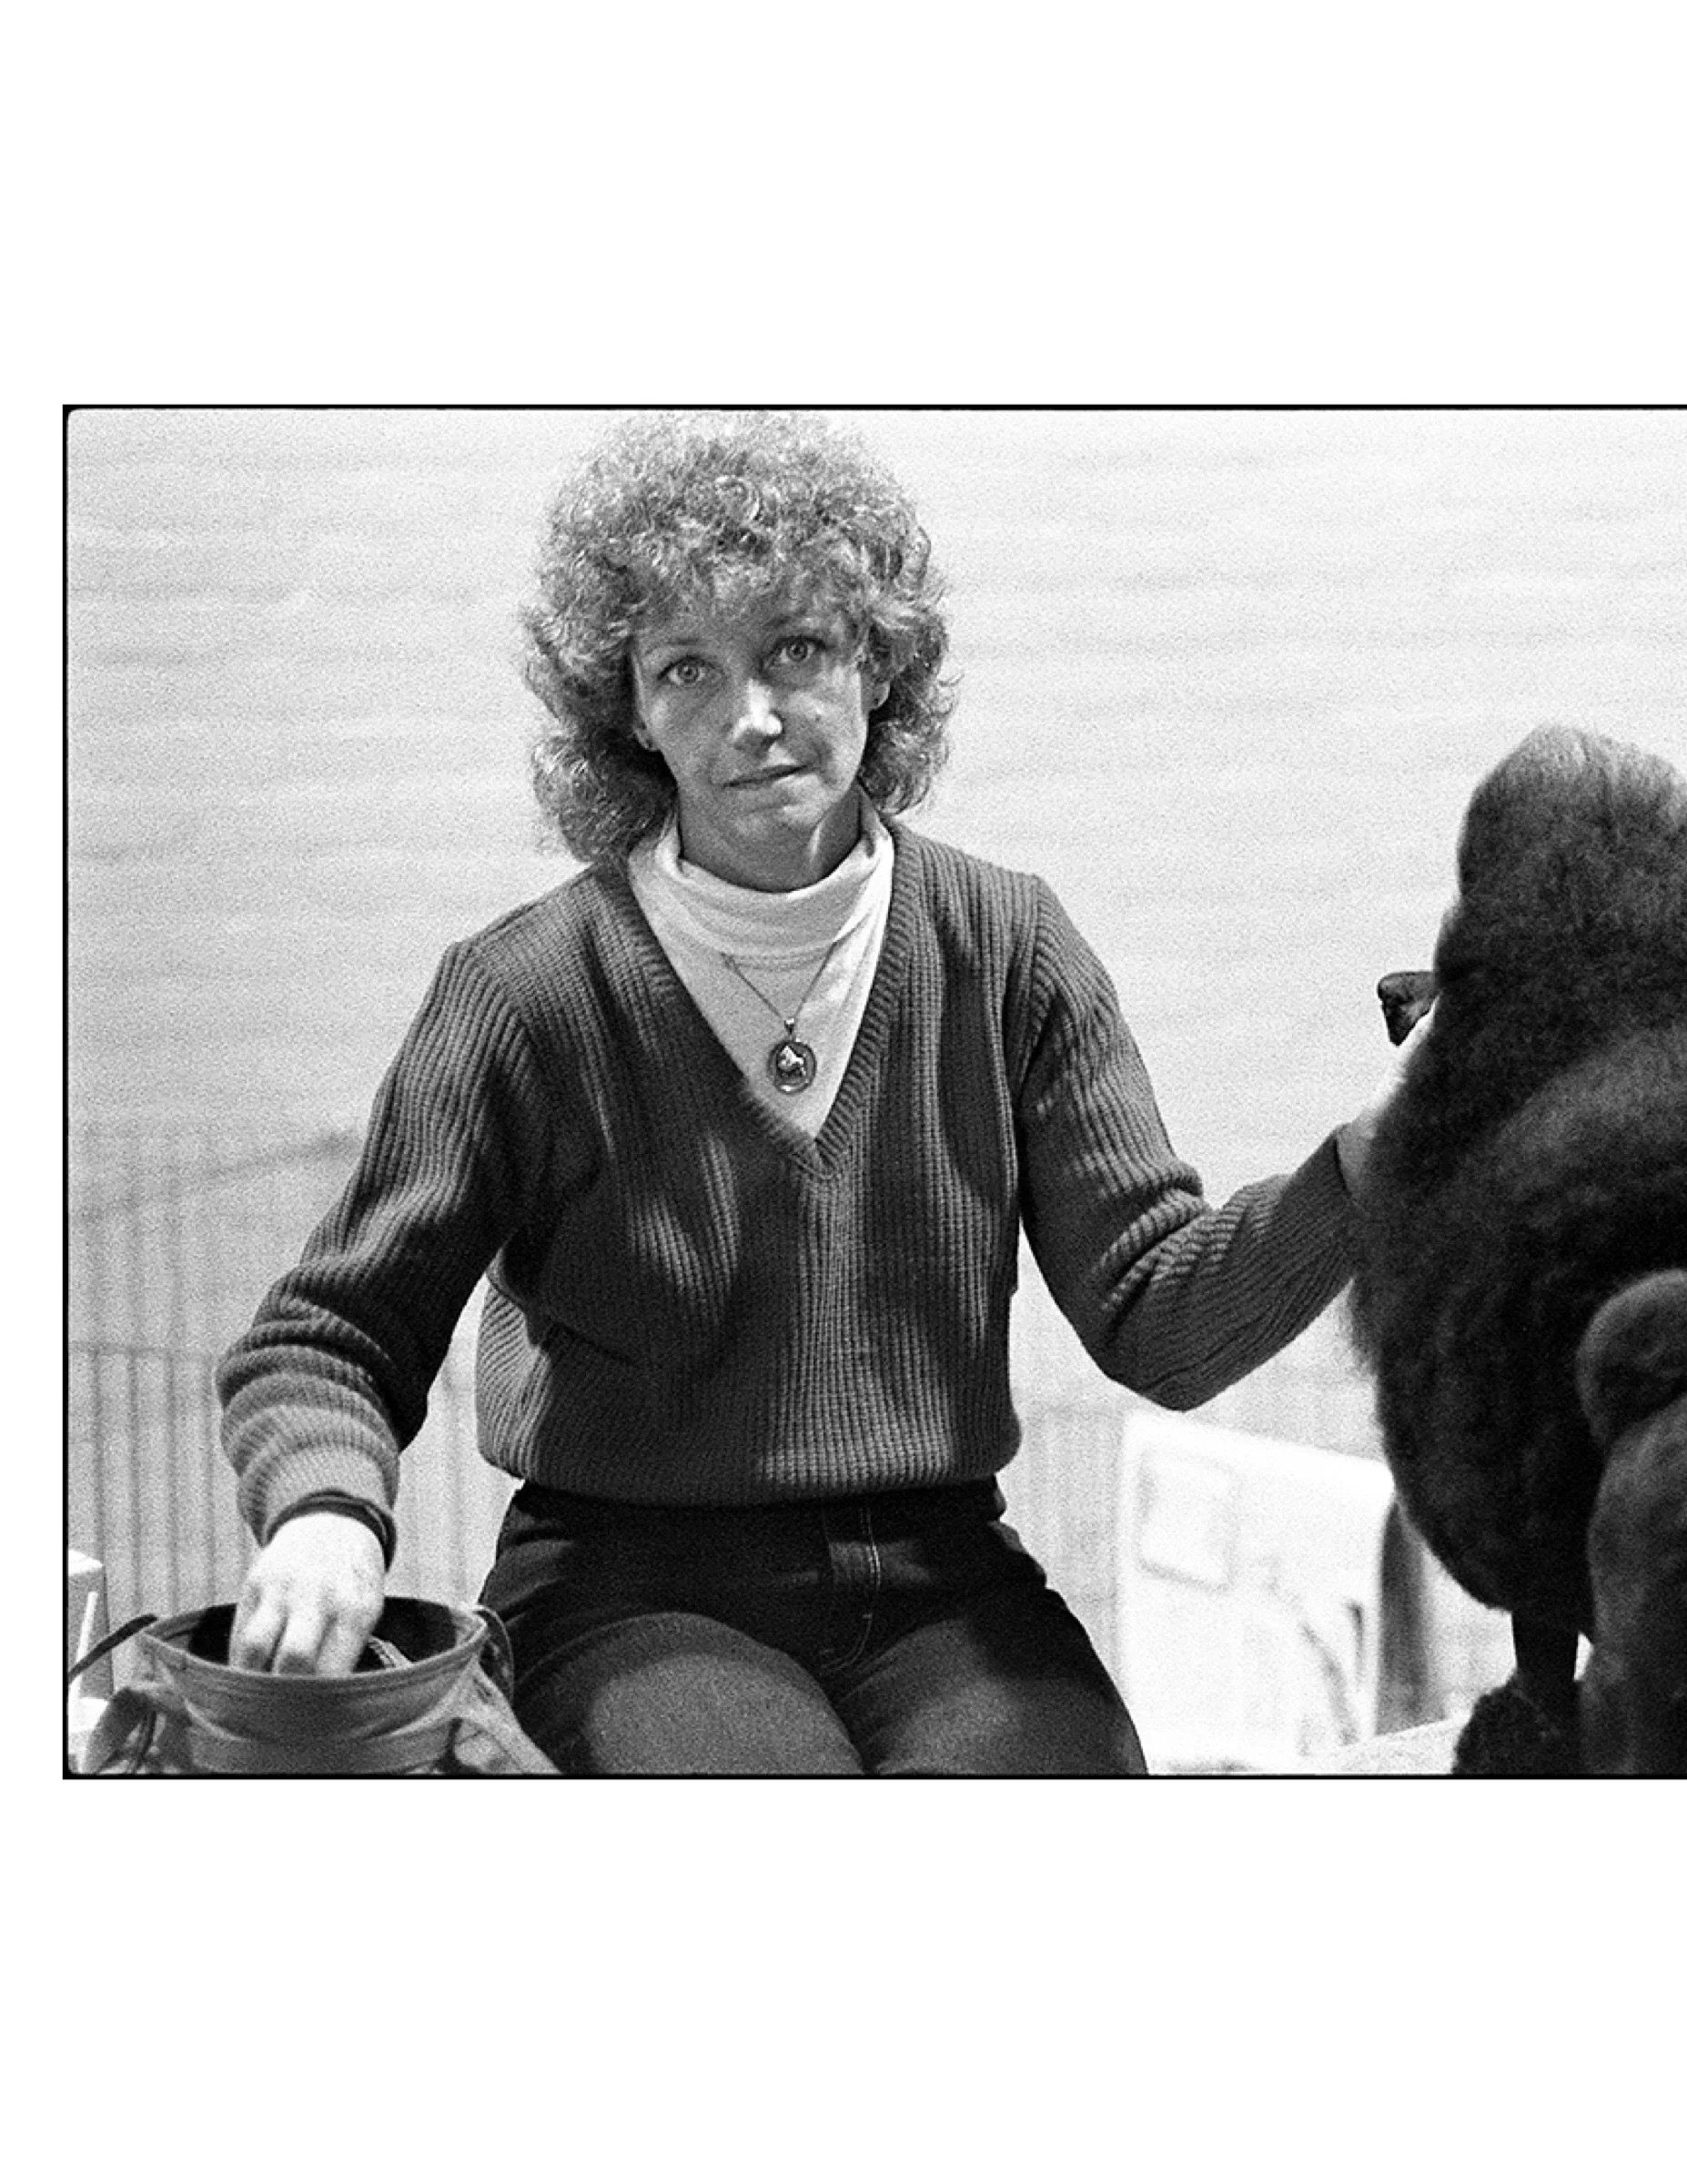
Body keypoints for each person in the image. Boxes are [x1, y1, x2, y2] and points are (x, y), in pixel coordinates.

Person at [216, 410, 1390, 1774]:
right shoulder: (525, 992)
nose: (752, 717)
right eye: (685, 670)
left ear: (879, 662)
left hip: (945, 1577)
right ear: (629, 710)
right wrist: (323, 1514)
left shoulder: (1005, 949)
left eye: (796, 649)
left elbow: (1159, 1321)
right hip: (624, 1585)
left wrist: (1371, 1162)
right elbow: (328, 1340)